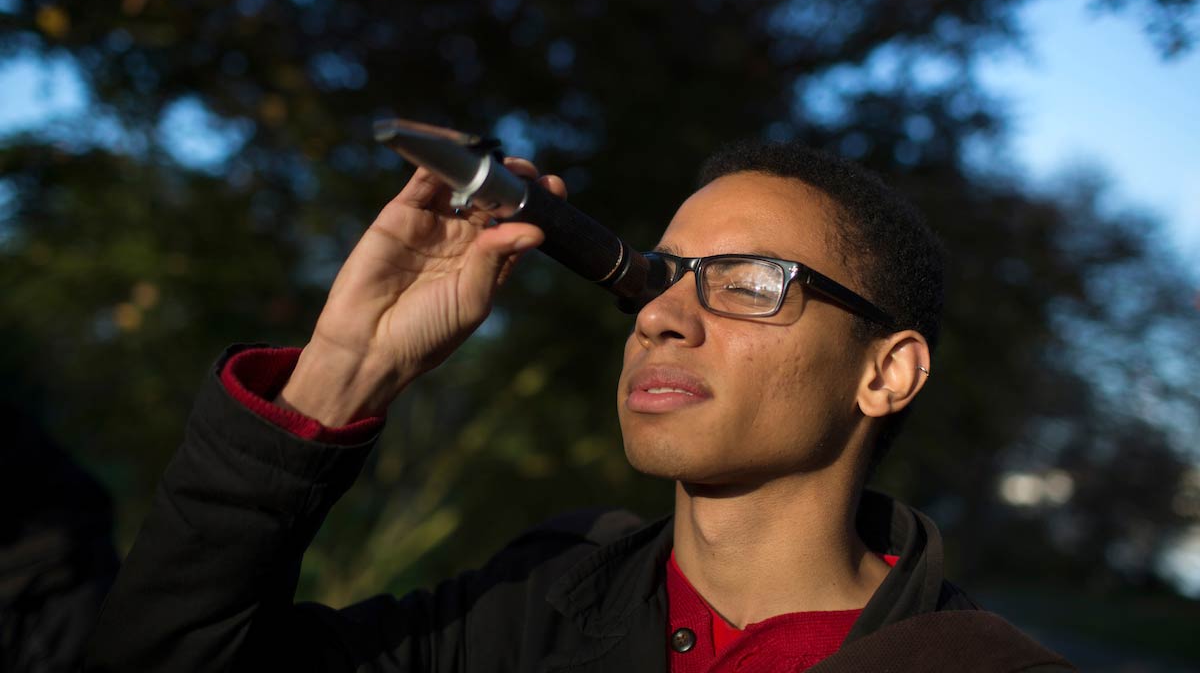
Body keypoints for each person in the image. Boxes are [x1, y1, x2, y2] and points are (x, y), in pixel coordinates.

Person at [85, 142, 1073, 672]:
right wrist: (342, 372)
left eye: (746, 281)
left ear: (887, 371)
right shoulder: (523, 612)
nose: (664, 319)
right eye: (658, 278)